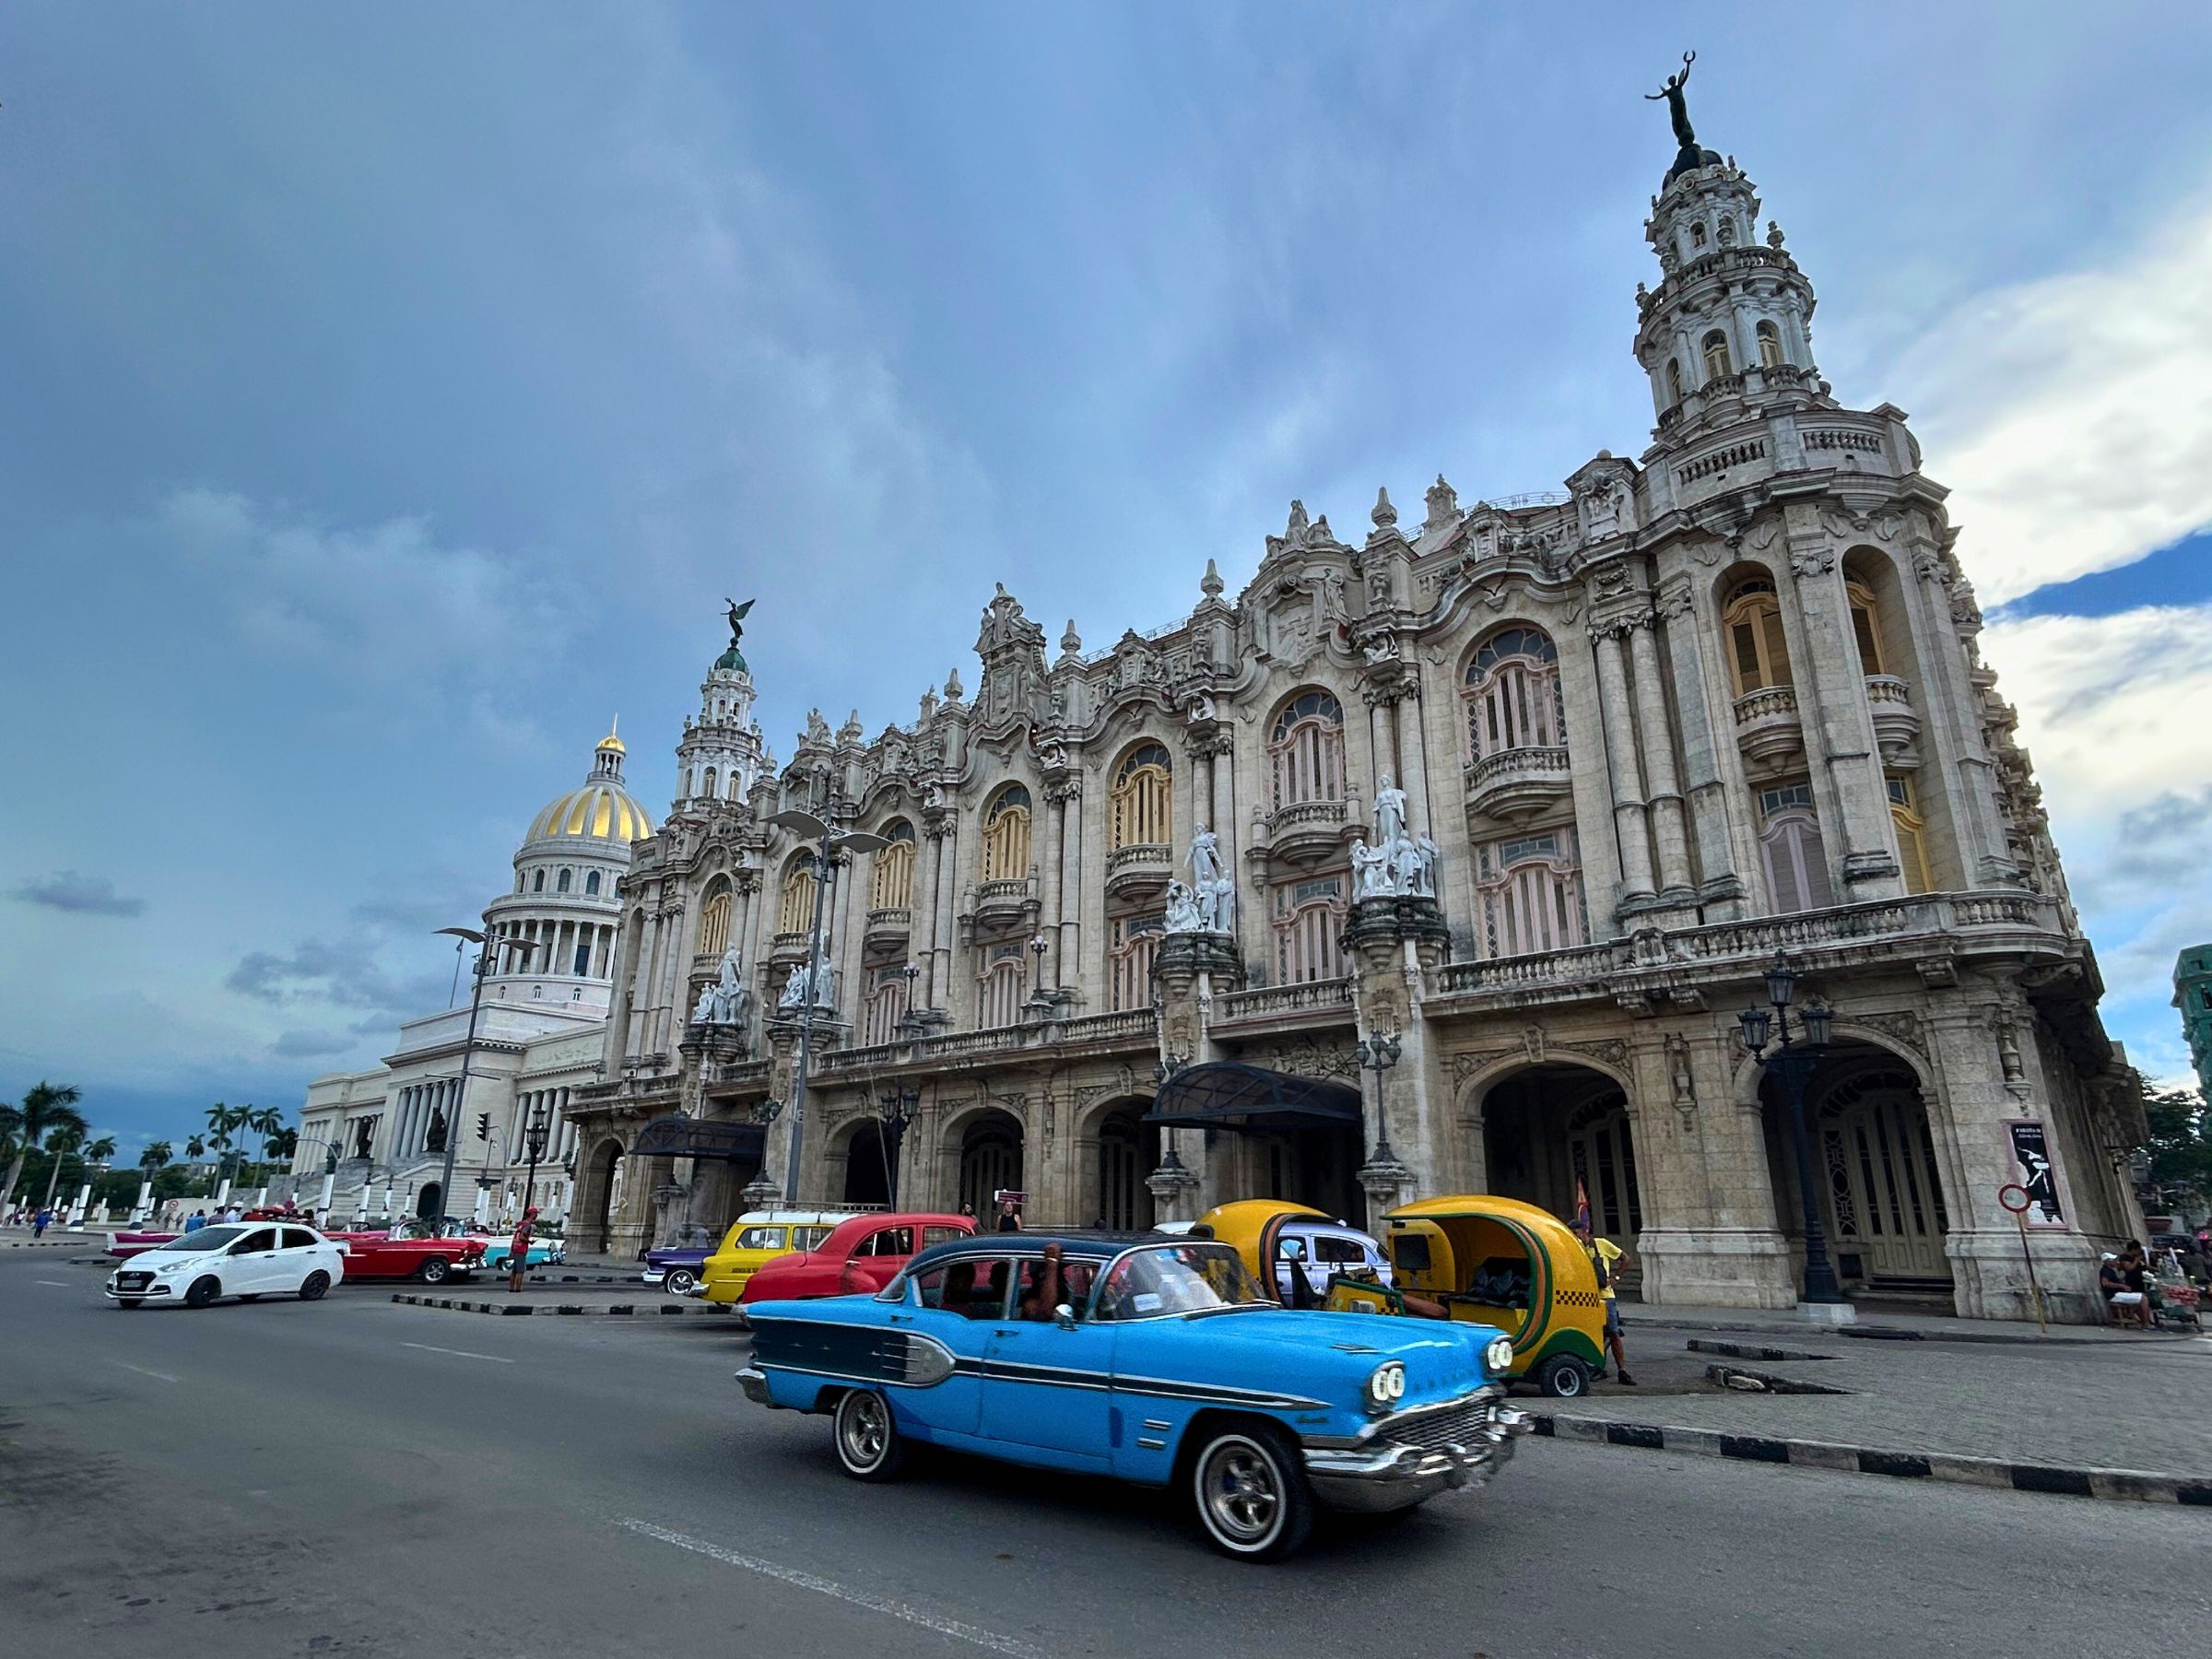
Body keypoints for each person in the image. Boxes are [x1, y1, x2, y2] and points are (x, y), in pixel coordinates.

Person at [1571, 1206, 1635, 1384]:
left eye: (1577, 1233)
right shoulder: (1575, 1249)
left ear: (1585, 1231)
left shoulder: (1601, 1244)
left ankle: (1622, 1370)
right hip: (1584, 1298)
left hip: (1605, 1296)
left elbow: (1626, 1259)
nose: (1575, 1237)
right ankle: (1595, 1366)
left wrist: (1616, 1277)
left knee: (1613, 1333)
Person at [2100, 1252, 2150, 1328]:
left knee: (2140, 1297)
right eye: (2113, 1260)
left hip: (2116, 1294)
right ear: (2108, 1261)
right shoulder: (2106, 1271)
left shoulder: (2109, 1270)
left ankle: (2137, 1317)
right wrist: (2121, 1285)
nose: (2116, 1262)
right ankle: (2146, 1324)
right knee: (2143, 1299)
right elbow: (2105, 1283)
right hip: (2114, 1295)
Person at [508, 1206, 540, 1294]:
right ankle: (517, 1289)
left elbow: (515, 1237)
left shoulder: (522, 1223)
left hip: (515, 1247)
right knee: (520, 1270)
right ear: (533, 1214)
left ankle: (512, 1288)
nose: (537, 1216)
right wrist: (530, 1241)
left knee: (515, 1270)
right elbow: (522, 1236)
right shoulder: (527, 1225)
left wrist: (511, 1250)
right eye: (536, 1214)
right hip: (521, 1248)